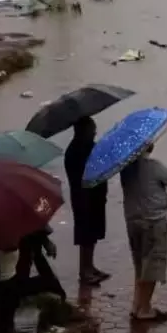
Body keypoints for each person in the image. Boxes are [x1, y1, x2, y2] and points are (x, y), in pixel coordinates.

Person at [120, 143, 167, 323]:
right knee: (151, 266)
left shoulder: (125, 168)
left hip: (133, 220)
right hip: (153, 221)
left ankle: (137, 305)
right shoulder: (153, 166)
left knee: (139, 265)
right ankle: (145, 309)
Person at [66, 116, 110, 287]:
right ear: (82, 132)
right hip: (83, 199)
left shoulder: (87, 147)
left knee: (92, 235)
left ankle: (90, 267)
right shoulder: (75, 152)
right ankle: (84, 272)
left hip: (95, 197)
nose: (95, 133)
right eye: (92, 130)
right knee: (85, 235)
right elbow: (82, 177)